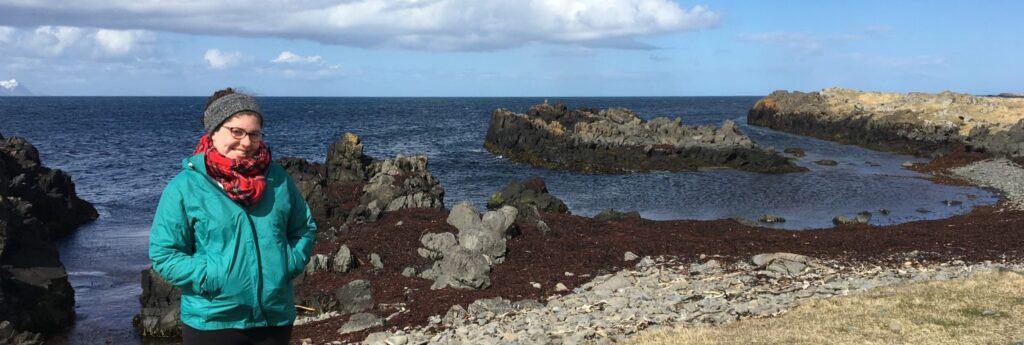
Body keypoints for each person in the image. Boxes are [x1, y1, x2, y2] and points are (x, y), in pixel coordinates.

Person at [149, 88, 317, 345]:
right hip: (212, 321)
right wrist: (213, 275)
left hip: (274, 318)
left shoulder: (277, 180)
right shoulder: (185, 187)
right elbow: (165, 253)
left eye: (254, 133)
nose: (246, 142)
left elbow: (303, 228)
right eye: (236, 131)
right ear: (214, 132)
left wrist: (286, 264)